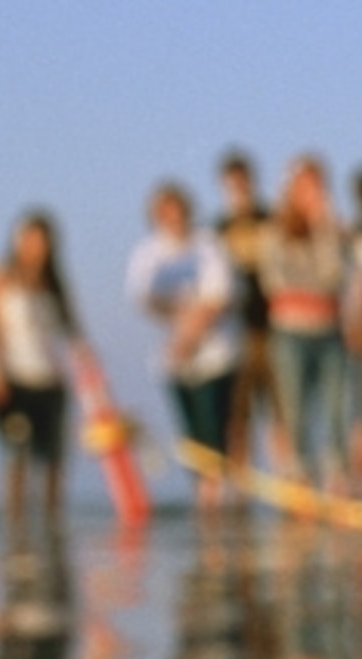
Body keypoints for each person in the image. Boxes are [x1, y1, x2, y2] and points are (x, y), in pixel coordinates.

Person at [125, 181, 242, 507]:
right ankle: (202, 492)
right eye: (165, 212)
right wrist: (180, 330)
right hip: (174, 361)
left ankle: (217, 493)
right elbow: (144, 299)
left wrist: (189, 335)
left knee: (214, 424)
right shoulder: (148, 253)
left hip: (216, 355)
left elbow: (219, 299)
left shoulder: (208, 245)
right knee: (190, 432)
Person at [0, 209, 92, 534]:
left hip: (51, 379)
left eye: (43, 241)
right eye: (30, 239)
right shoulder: (0, 276)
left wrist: (88, 367)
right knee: (18, 455)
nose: (36, 248)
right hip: (15, 378)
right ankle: (15, 527)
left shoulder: (55, 285)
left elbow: (74, 332)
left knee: (54, 458)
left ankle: (52, 524)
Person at [256, 155, 347, 490]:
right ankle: (301, 481)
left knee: (338, 413)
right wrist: (311, 287)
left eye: (318, 186)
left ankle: (338, 482)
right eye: (307, 185)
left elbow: (334, 274)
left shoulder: (332, 229)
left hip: (330, 332)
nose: (313, 193)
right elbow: (275, 283)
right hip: (290, 333)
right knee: (295, 415)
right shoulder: (273, 232)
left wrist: (323, 226)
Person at [214, 150, 277, 475]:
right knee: (238, 416)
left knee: (279, 413)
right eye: (232, 184)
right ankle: (238, 486)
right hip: (234, 334)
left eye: (243, 182)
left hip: (272, 329)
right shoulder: (217, 230)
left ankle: (288, 481)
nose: (239, 189)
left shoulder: (273, 221)